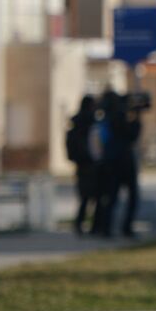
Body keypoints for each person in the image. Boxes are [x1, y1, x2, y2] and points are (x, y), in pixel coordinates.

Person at [92, 89, 142, 238]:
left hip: (110, 160)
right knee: (130, 196)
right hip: (123, 160)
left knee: (111, 196)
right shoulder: (119, 116)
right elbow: (132, 135)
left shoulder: (106, 117)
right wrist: (137, 118)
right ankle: (124, 227)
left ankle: (106, 227)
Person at [66, 95, 99, 235]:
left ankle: (80, 224)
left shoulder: (75, 123)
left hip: (80, 165)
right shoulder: (92, 123)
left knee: (84, 197)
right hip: (91, 164)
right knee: (95, 197)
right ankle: (93, 226)